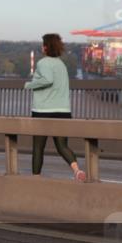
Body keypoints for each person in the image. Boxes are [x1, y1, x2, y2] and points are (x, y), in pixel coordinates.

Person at [25, 33, 85, 182]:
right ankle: (77, 170)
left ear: (45, 47)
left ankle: (36, 178)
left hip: (42, 112)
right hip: (63, 111)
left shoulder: (43, 63)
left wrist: (29, 85)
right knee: (62, 145)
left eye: (43, 44)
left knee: (38, 147)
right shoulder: (61, 65)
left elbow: (47, 80)